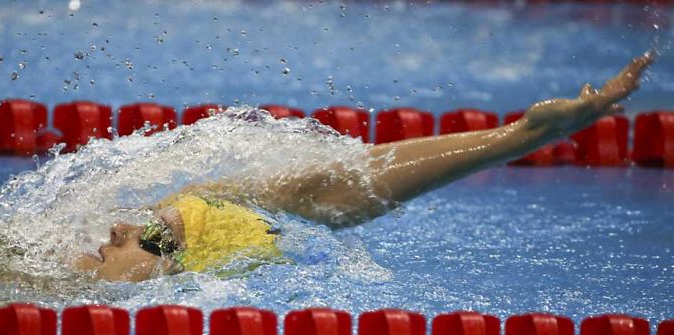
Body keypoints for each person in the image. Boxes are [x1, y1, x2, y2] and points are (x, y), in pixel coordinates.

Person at [74, 53, 655, 282]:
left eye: (147, 232)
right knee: (332, 185)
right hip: (251, 228)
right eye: (147, 232)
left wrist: (526, 134)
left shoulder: (146, 269)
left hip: (249, 229)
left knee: (332, 185)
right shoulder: (272, 213)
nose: (116, 228)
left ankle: (526, 133)